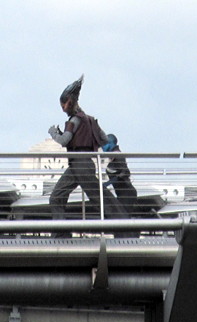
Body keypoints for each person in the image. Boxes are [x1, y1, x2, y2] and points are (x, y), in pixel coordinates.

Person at [48, 75, 134, 238]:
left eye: (63, 105)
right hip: (84, 164)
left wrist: (53, 132)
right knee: (95, 198)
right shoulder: (90, 120)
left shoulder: (74, 121)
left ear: (70, 102)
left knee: (93, 198)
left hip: (79, 165)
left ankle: (124, 227)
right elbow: (103, 139)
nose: (63, 108)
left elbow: (64, 140)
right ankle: (124, 226)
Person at [102, 134, 138, 215]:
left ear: (110, 144)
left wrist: (107, 183)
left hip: (127, 194)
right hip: (121, 194)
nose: (102, 147)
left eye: (104, 144)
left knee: (121, 218)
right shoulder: (113, 157)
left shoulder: (118, 155)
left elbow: (126, 172)